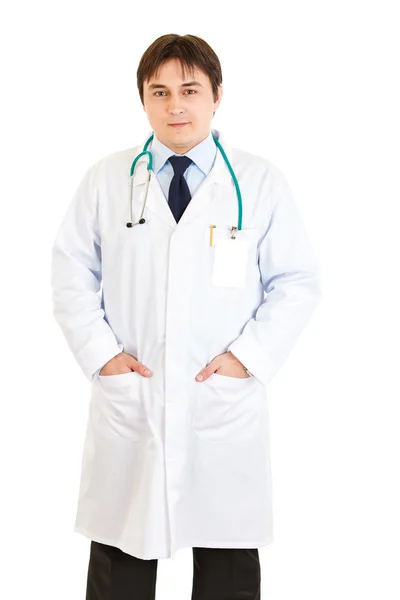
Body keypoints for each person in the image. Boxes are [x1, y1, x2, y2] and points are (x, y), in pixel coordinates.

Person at [50, 33, 321, 600]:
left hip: (219, 400)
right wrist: (104, 358)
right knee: (121, 554)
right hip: (134, 396)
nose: (176, 104)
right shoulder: (108, 179)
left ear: (217, 96)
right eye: (160, 91)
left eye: (190, 90)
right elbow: (71, 272)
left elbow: (296, 281)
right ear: (143, 101)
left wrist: (246, 359)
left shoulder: (259, 182)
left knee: (226, 560)